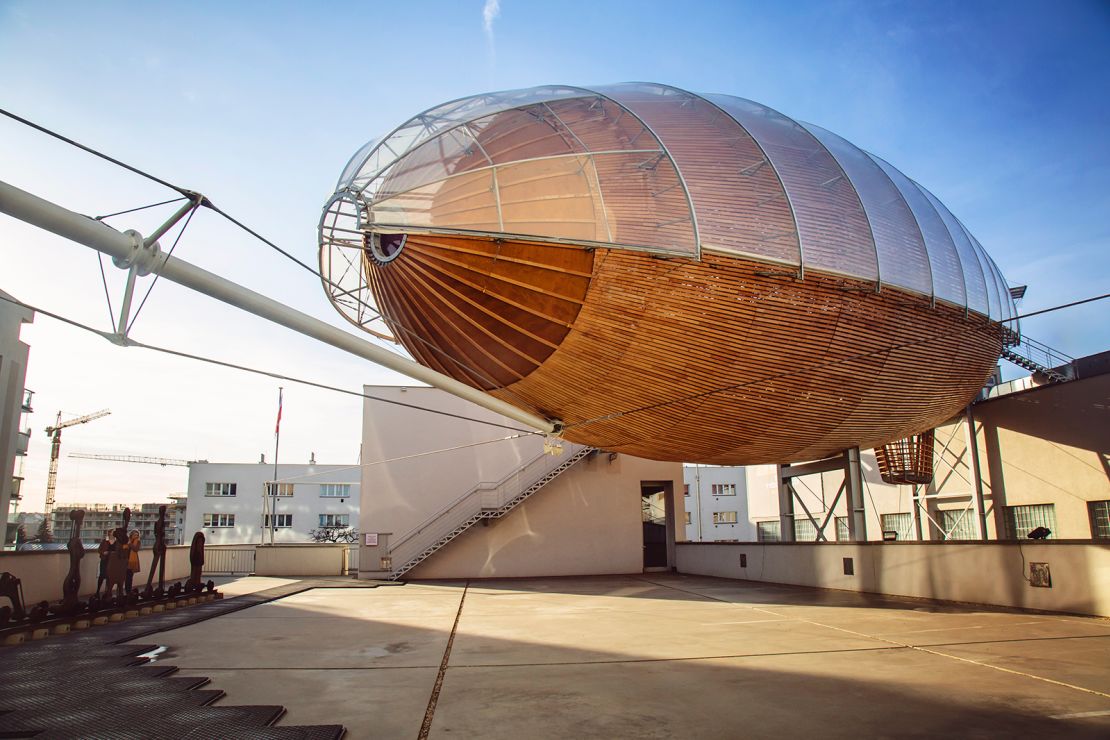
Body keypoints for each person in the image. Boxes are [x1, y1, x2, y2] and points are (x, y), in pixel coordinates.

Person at [95, 530, 114, 597]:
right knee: (102, 575)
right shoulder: (105, 540)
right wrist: (103, 552)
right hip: (104, 560)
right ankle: (97, 591)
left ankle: (108, 592)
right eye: (112, 532)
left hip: (112, 561)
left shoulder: (116, 541)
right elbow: (99, 549)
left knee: (109, 576)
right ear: (109, 533)